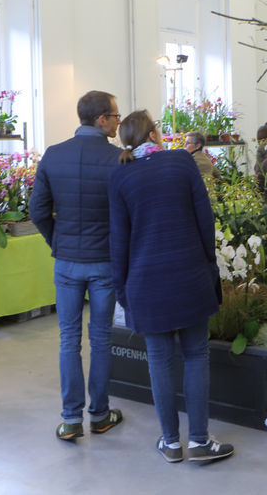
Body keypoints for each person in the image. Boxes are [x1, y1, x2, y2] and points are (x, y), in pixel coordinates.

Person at [109, 110, 234, 464]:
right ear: (153, 135)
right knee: (196, 355)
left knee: (159, 361)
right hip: (189, 275)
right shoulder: (182, 162)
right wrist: (208, 264)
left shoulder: (121, 177)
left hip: (145, 284)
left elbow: (119, 242)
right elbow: (204, 219)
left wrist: (122, 289)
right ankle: (198, 441)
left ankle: (170, 442)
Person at [29, 90, 124, 442]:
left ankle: (71, 420)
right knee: (100, 340)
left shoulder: (53, 155)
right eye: (114, 115)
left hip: (67, 264)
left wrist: (59, 243)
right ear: (101, 119)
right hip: (105, 263)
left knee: (68, 340)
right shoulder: (119, 159)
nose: (117, 121)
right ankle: (99, 415)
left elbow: (38, 210)